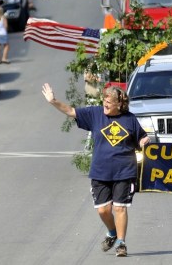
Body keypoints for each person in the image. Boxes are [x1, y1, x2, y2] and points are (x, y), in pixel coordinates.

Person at [41, 83, 150, 258]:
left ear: (119, 105)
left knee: (120, 208)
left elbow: (142, 137)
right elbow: (71, 111)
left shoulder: (130, 119)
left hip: (124, 171)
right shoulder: (95, 114)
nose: (105, 104)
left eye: (109, 102)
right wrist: (53, 101)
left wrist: (145, 141)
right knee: (103, 210)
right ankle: (112, 232)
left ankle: (121, 244)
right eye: (104, 100)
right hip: (100, 171)